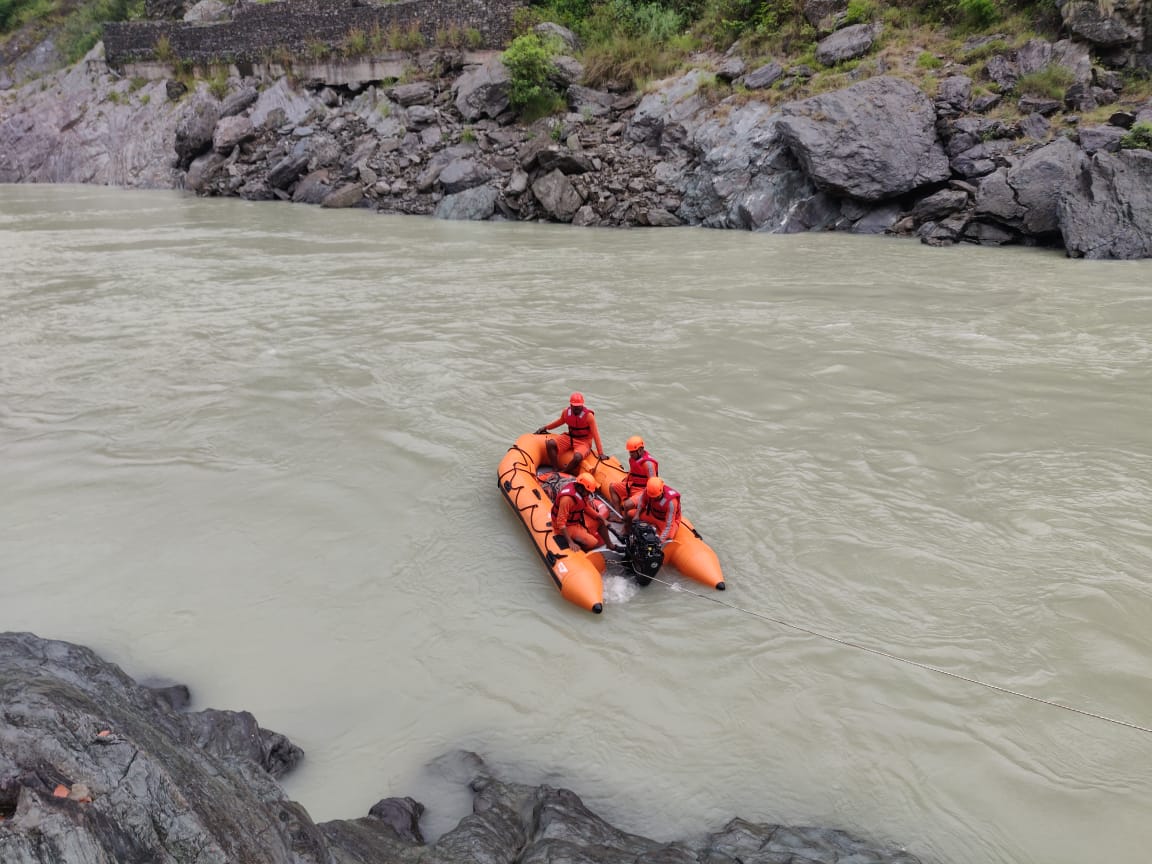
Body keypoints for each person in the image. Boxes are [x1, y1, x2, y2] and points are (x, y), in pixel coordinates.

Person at [535, 392, 605, 475]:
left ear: (582, 405)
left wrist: (601, 453)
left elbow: (596, 434)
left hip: (583, 441)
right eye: (575, 407)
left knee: (577, 457)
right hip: (569, 437)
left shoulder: (589, 416)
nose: (577, 409)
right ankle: (555, 468)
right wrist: (545, 427)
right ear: (571, 405)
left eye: (579, 406)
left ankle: (563, 472)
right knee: (550, 443)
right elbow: (559, 422)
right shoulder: (566, 412)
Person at [551, 472, 614, 552]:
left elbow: (586, 508)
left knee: (601, 522)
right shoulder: (567, 499)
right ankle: (580, 552)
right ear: (581, 487)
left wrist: (603, 519)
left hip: (575, 522)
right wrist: (570, 542)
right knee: (593, 542)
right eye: (588, 491)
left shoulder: (582, 493)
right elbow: (561, 523)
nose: (588, 494)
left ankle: (610, 545)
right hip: (566, 526)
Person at [609, 435, 658, 517]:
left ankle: (626, 522)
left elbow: (653, 484)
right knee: (612, 487)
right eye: (630, 452)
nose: (630, 454)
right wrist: (624, 482)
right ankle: (618, 516)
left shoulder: (648, 464)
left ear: (640, 450)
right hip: (632, 486)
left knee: (627, 505)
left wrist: (647, 501)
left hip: (643, 490)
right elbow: (632, 473)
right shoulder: (634, 459)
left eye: (632, 452)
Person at [630, 476, 681, 544]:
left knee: (669, 537)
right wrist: (637, 515)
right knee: (630, 514)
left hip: (664, 521)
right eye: (652, 497)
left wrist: (659, 541)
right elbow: (641, 502)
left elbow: (669, 525)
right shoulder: (648, 491)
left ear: (661, 491)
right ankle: (628, 533)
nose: (653, 499)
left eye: (656, 497)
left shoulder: (671, 503)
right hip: (652, 515)